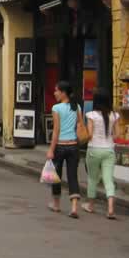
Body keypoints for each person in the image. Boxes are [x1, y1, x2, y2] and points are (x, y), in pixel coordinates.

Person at [46, 80, 83, 218]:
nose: (55, 93)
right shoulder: (77, 107)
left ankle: (56, 204)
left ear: (63, 93)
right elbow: (80, 125)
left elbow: (56, 130)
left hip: (60, 145)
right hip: (73, 145)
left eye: (56, 91)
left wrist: (51, 149)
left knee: (56, 177)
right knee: (73, 176)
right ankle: (74, 208)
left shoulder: (56, 108)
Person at [83, 87, 119, 219]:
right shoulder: (114, 115)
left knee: (92, 178)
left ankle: (90, 205)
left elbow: (90, 135)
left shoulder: (91, 115)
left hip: (94, 149)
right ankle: (110, 208)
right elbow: (117, 134)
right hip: (109, 149)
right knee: (108, 179)